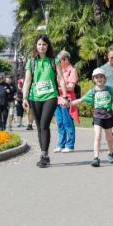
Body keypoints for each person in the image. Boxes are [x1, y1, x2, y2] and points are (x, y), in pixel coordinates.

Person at [22, 34, 69, 168]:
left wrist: (64, 95)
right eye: (39, 44)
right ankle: (45, 154)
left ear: (48, 46)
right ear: (36, 46)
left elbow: (60, 78)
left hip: (50, 96)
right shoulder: (31, 62)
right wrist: (24, 97)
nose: (42, 46)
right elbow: (28, 80)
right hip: (34, 97)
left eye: (44, 44)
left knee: (44, 124)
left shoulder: (54, 61)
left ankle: (44, 155)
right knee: (39, 126)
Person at [70, 68, 113, 167]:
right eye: (97, 77)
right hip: (98, 116)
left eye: (101, 77)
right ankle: (96, 158)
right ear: (94, 79)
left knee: (109, 138)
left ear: (105, 79)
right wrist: (70, 104)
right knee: (97, 136)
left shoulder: (110, 90)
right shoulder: (92, 91)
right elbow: (81, 99)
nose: (99, 79)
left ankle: (110, 153)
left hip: (108, 116)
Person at [54, 50, 79, 153]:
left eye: (60, 61)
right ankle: (61, 144)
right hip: (57, 99)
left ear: (66, 60)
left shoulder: (72, 71)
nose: (58, 63)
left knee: (67, 122)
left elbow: (71, 87)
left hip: (67, 99)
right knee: (60, 122)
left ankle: (70, 145)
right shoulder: (59, 71)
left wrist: (59, 87)